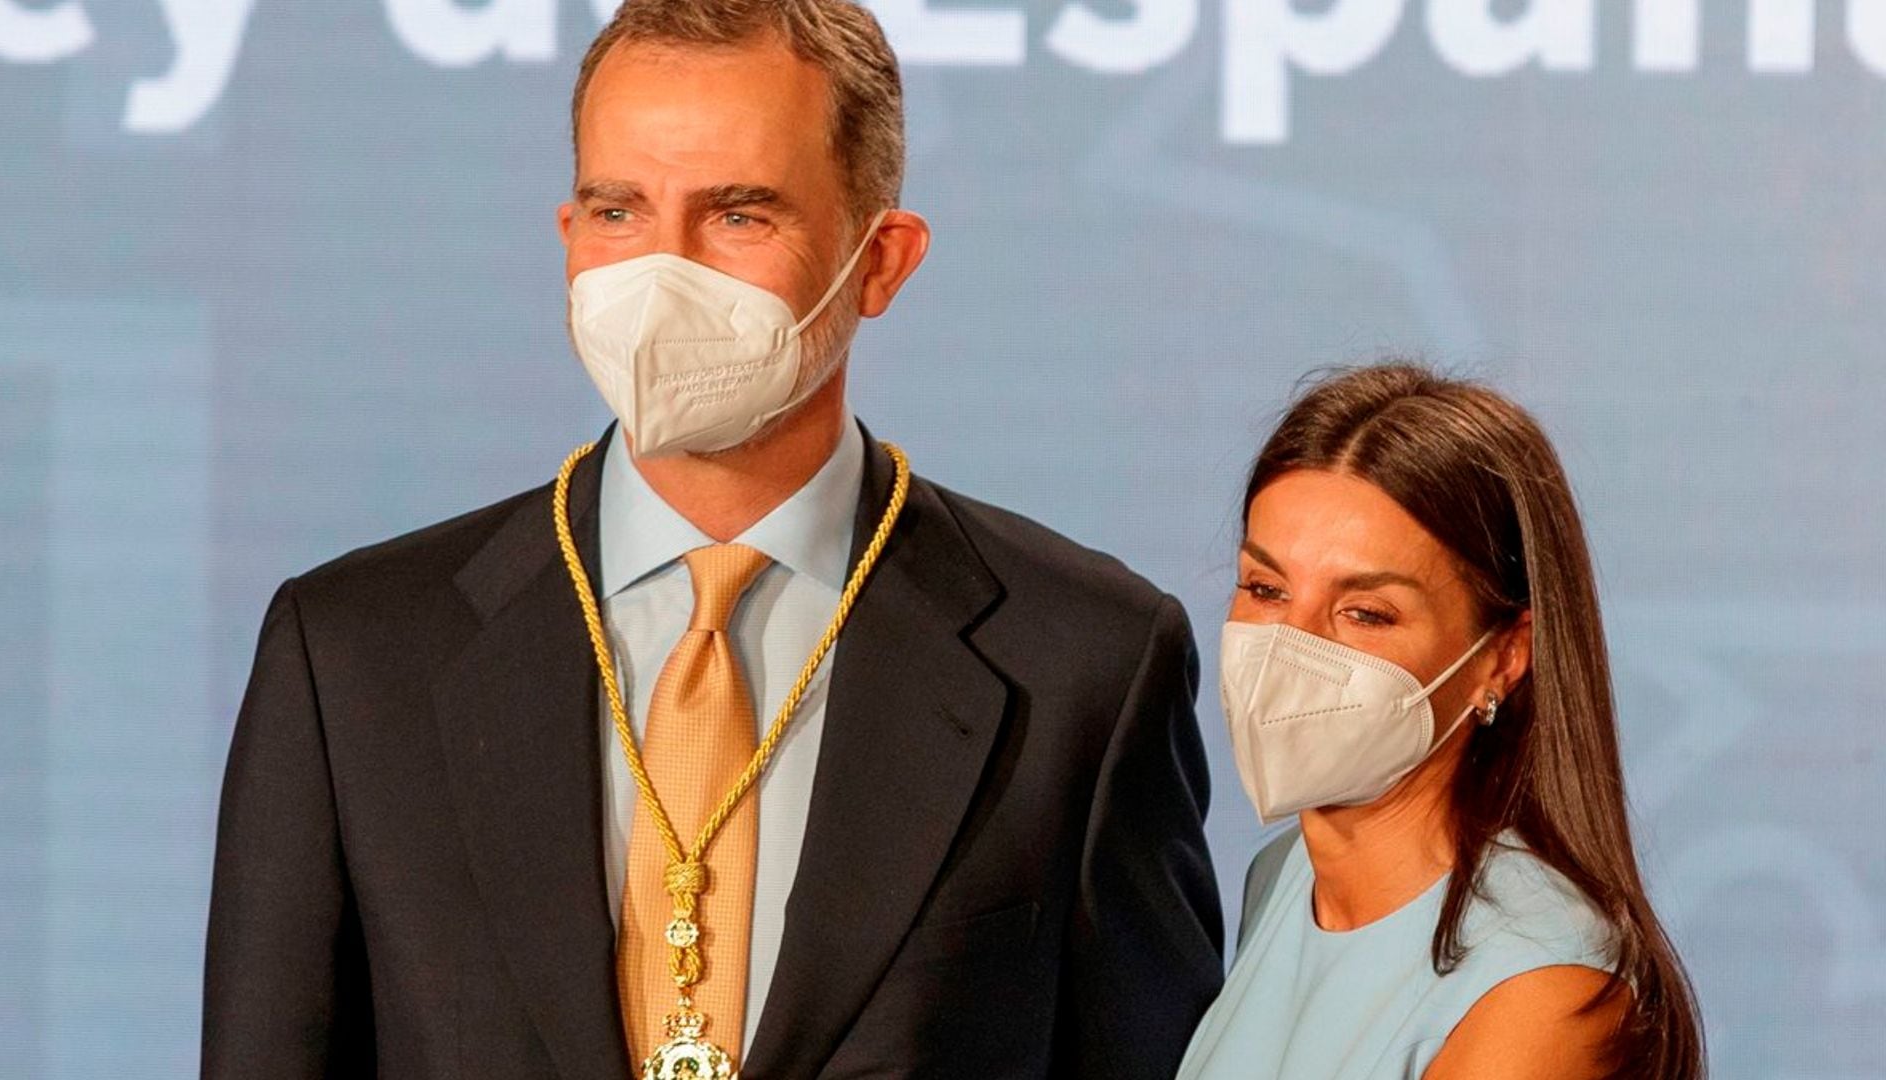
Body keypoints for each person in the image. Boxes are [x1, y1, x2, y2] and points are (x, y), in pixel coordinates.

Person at [201, 2, 1223, 1078]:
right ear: (567, 238)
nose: (662, 273)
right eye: (619, 212)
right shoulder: (355, 657)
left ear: (881, 262)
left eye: (739, 215)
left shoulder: (1085, 664)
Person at [1177, 364, 1704, 1080]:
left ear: (1504, 657)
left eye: (1365, 613)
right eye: (1266, 589)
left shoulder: (1543, 994)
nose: (1291, 645)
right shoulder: (1282, 878)